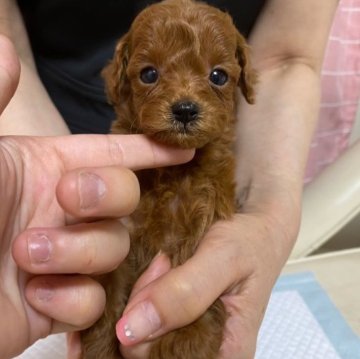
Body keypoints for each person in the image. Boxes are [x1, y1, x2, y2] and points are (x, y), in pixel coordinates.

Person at [0, 1, 338, 358]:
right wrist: (43, 180)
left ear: (242, 81)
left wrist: (267, 221)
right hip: (65, 135)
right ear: (120, 81)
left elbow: (289, 58)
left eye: (217, 77)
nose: (185, 100)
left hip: (220, 154)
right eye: (150, 75)